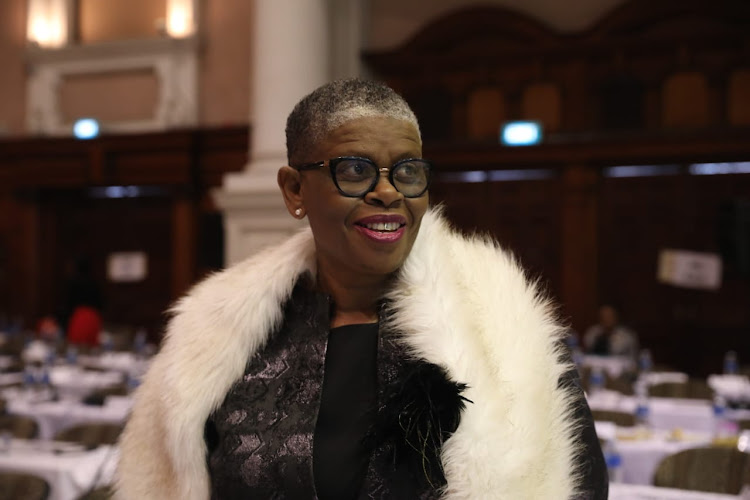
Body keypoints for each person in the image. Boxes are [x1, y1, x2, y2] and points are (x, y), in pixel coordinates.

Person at [116, 79, 606, 499]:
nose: (389, 192)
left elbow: (574, 484)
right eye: (355, 170)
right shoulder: (216, 336)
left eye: (408, 171)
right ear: (294, 191)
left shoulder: (500, 331)